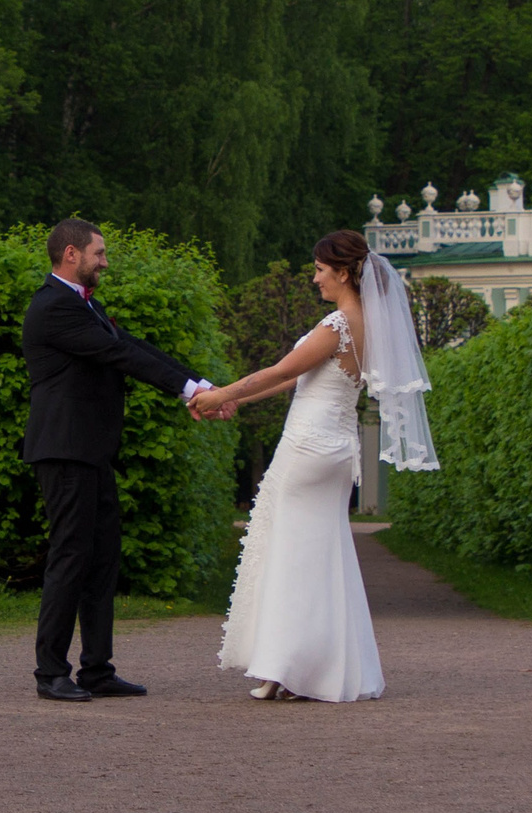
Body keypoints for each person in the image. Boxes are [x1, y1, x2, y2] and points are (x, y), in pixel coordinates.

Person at [189, 230, 440, 703]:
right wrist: (238, 402)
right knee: (324, 557)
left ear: (343, 272)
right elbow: (296, 380)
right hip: (337, 448)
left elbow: (282, 371)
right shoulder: (369, 325)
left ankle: (286, 667)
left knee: (291, 557)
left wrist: (221, 394)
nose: (315, 277)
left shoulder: (339, 323)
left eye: (321, 269)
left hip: (307, 447)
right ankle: (319, 666)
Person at [21, 218, 223, 703]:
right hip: (65, 450)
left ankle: (96, 670)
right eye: (99, 253)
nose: (105, 261)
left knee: (102, 560)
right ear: (71, 254)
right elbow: (118, 356)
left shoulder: (85, 306)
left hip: (91, 451)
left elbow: (134, 346)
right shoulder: (53, 308)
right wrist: (189, 391)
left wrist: (204, 388)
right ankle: (51, 672)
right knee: (70, 557)